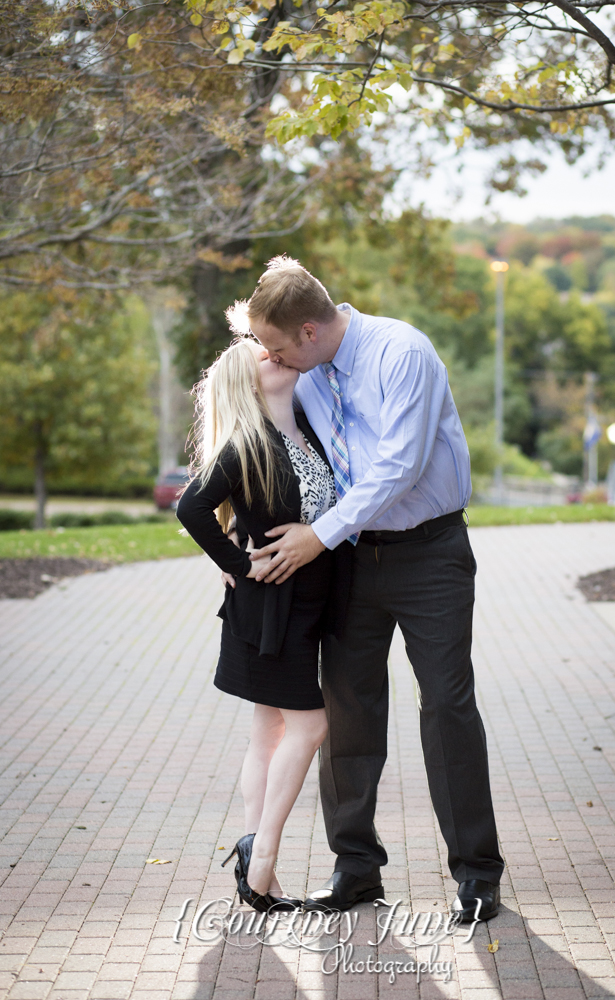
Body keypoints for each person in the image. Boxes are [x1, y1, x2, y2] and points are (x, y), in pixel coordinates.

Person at [225, 256, 505, 922]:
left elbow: (397, 467)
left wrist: (317, 534)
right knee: (345, 707)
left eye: (276, 346)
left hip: (429, 552)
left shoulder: (401, 353)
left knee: (445, 703)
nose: (271, 357)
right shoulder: (303, 368)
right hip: (350, 559)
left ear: (312, 332)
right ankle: (355, 868)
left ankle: (475, 873)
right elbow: (258, 426)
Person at [176, 337, 340, 913]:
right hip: (273, 608)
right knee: (310, 726)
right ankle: (263, 855)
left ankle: (258, 872)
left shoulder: (306, 429)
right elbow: (190, 508)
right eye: (264, 358)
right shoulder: (247, 444)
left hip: (309, 603)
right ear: (248, 383)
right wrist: (236, 563)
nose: (277, 356)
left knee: (267, 730)